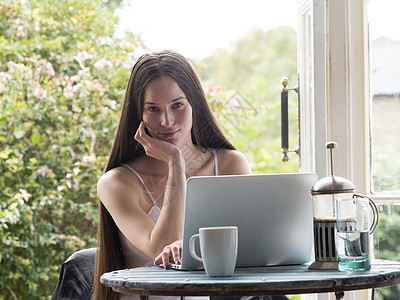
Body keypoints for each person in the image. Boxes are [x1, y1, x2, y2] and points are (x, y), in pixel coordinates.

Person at [93, 50, 288, 300]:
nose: (166, 121)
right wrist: (176, 163)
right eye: (153, 109)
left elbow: (254, 249)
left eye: (177, 105)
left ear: (194, 103)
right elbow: (161, 248)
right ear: (138, 116)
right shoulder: (117, 182)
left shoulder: (229, 164)